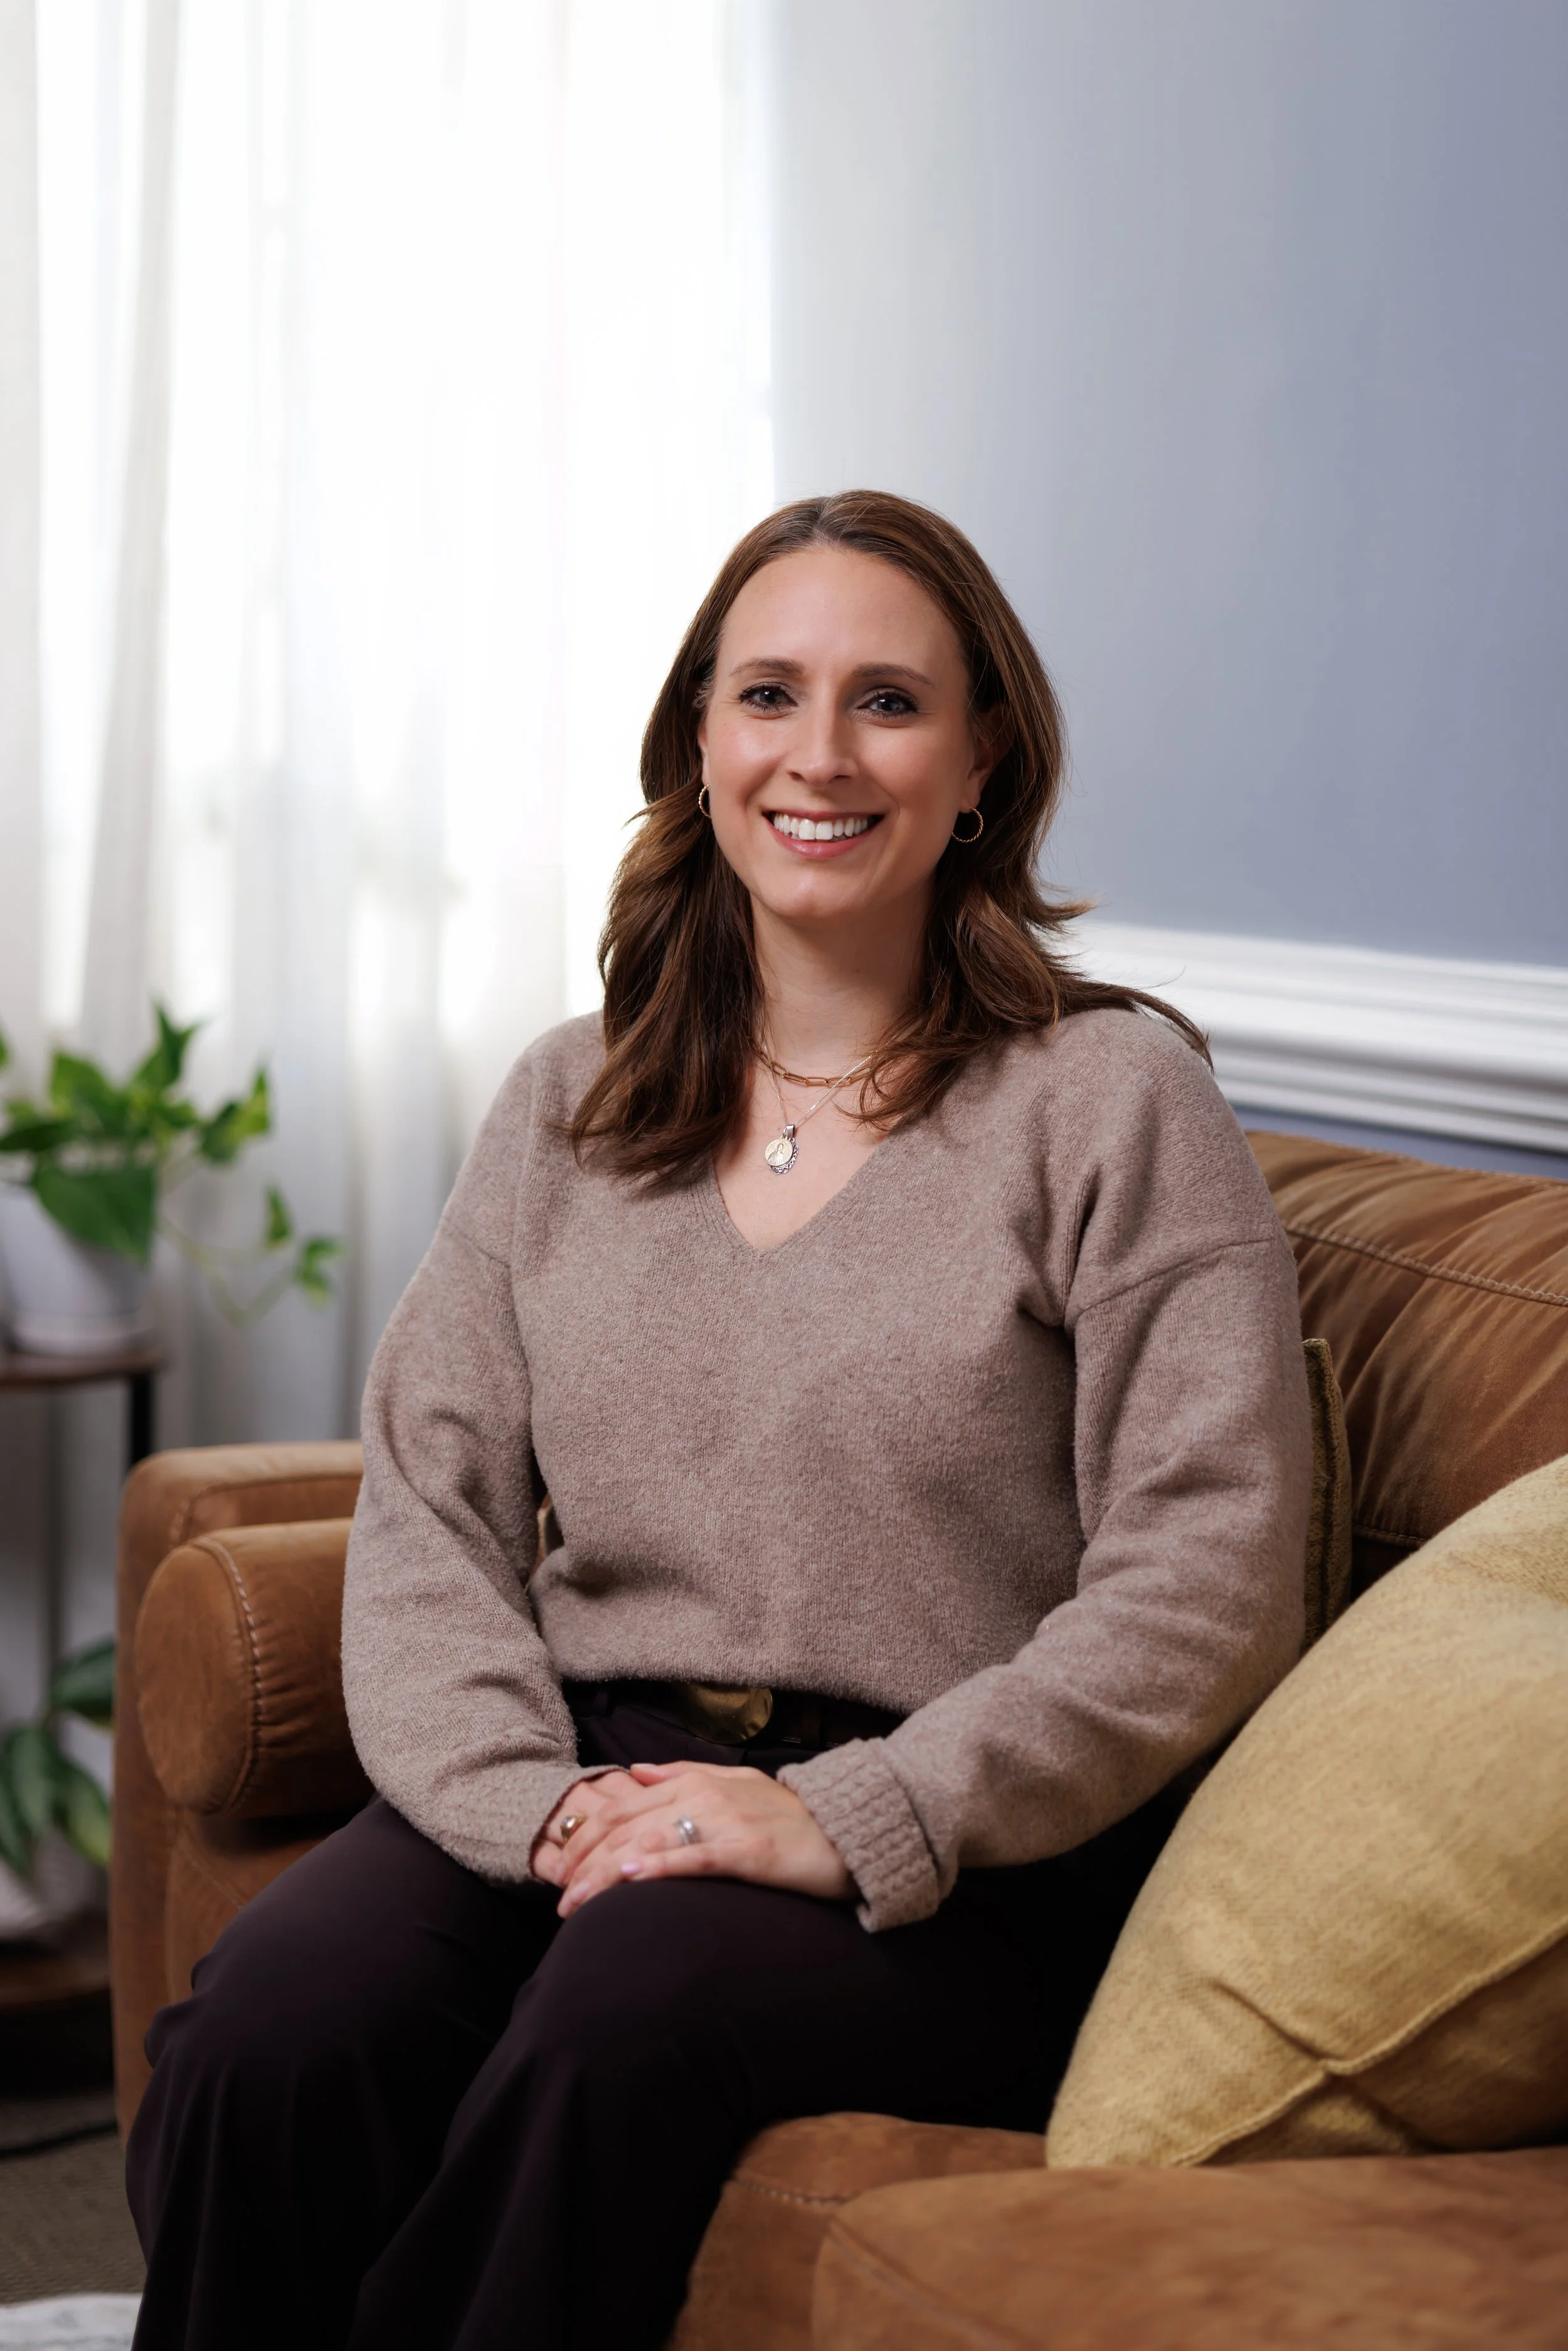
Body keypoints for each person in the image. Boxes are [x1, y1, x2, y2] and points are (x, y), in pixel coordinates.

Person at [127, 491, 1311, 2351]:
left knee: (628, 2011)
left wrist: (842, 1816)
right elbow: (428, 1503)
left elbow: (1210, 1581)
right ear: (702, 737)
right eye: (768, 693)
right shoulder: (571, 1098)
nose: (818, 755)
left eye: (888, 702)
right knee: (278, 2019)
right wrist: (539, 1809)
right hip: (593, 1764)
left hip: (959, 1837)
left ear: (984, 754)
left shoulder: (1110, 1098)